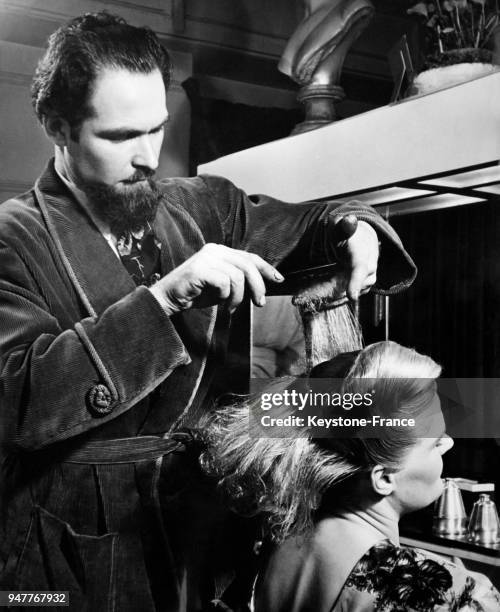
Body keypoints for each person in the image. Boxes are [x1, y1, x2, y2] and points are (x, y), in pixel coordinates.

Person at [0, 11, 416, 611]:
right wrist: (164, 300)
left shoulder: (204, 207)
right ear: (58, 127)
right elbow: (18, 403)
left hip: (204, 527)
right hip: (64, 547)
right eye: (120, 137)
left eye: (157, 130)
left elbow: (307, 225)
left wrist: (351, 229)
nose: (148, 157)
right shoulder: (13, 241)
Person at [202, 342, 500, 611]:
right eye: (435, 442)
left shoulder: (274, 547)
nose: (448, 443)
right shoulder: (443, 595)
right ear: (383, 478)